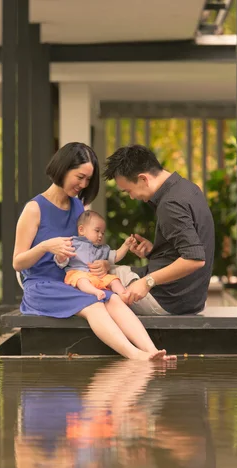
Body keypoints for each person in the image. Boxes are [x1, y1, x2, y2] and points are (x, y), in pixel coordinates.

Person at [12, 142, 175, 361]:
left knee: (114, 299)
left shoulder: (78, 208)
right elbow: (17, 263)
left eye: (88, 179)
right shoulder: (35, 209)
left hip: (75, 281)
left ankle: (153, 351)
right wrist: (45, 246)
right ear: (63, 168)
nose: (83, 184)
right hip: (42, 286)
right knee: (94, 305)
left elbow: (89, 250)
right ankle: (135, 355)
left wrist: (105, 264)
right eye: (80, 177)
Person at [103, 145, 215, 316]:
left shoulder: (170, 204)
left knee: (100, 275)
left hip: (168, 301)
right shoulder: (187, 188)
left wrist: (147, 282)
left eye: (129, 191)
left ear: (143, 179)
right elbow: (190, 244)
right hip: (190, 298)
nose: (132, 197)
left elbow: (195, 258)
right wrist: (154, 251)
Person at [54, 209, 132, 303]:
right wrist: (61, 257)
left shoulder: (102, 249)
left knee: (113, 279)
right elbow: (60, 260)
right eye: (97, 230)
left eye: (102, 233)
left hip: (98, 277)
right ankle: (95, 292)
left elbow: (115, 257)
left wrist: (126, 246)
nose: (100, 235)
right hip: (78, 273)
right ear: (81, 230)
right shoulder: (73, 243)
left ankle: (123, 294)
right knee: (81, 279)